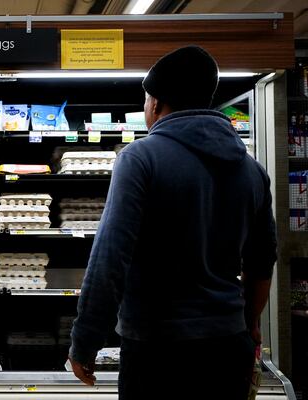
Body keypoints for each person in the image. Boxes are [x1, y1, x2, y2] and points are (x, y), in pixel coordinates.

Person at [68, 45, 276, 400]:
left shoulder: (141, 158)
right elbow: (262, 261)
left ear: (155, 103)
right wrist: (250, 323)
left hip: (157, 349)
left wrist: (85, 340)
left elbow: (110, 258)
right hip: (227, 345)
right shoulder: (252, 169)